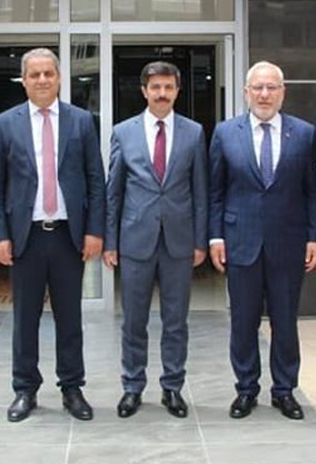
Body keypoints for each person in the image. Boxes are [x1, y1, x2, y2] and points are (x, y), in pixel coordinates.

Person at [0, 48, 106, 423]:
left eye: (48, 73)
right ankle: (25, 389)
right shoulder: (6, 123)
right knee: (26, 318)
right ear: (24, 81)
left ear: (59, 78)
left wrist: (94, 230)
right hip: (26, 237)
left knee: (70, 318)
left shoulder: (82, 121)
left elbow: (95, 180)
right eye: (34, 74)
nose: (42, 80)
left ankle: (72, 388)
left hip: (68, 236)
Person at [209, 61, 316, 420]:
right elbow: (215, 191)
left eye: (271, 87)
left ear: (282, 92)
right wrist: (215, 236)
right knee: (243, 322)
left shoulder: (304, 134)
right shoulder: (226, 133)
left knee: (285, 322)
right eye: (257, 87)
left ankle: (284, 390)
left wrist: (314, 237)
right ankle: (246, 389)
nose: (264, 94)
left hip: (288, 242)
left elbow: (312, 191)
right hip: (240, 241)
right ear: (246, 92)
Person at [104, 61, 208, 419]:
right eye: (155, 87)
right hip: (135, 240)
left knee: (176, 321)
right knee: (133, 321)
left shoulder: (194, 132)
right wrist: (110, 241)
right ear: (144, 91)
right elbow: (114, 191)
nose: (162, 93)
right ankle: (132, 387)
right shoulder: (123, 132)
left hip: (179, 241)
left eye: (168, 87)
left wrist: (200, 241)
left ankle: (172, 387)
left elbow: (201, 191)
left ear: (177, 91)